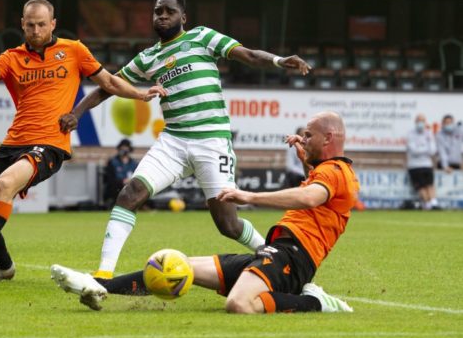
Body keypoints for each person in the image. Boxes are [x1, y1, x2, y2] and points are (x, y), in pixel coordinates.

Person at [59, 0, 312, 280]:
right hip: (174, 142)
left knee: (228, 225)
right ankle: (103, 275)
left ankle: (276, 258)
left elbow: (249, 55)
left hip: (212, 143)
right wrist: (76, 114)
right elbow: (109, 86)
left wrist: (279, 61)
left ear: (184, 17)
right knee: (130, 195)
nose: (163, 15)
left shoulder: (202, 37)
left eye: (169, 11)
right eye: (158, 11)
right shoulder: (148, 57)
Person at [0, 0, 165, 282]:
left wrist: (140, 94)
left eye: (41, 24)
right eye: (30, 24)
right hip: (12, 143)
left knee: (5, 184)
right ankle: (5, 267)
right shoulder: (11, 57)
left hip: (49, 143)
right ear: (22, 24)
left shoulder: (73, 50)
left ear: (53, 24)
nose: (35, 30)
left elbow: (108, 81)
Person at [51, 111, 356, 314]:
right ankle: (98, 285)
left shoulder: (338, 171)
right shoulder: (326, 171)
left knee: (240, 304)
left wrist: (247, 195)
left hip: (295, 258)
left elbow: (308, 197)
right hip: (275, 252)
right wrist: (305, 159)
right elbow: (314, 191)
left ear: (329, 138)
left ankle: (314, 302)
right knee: (172, 265)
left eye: (309, 136)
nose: (303, 139)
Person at [406, 114, 439, 210]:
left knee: (430, 185)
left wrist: (421, 149)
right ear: (415, 122)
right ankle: (427, 205)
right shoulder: (410, 134)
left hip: (427, 164)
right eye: (419, 121)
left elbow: (433, 150)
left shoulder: (429, 133)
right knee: (421, 187)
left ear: (425, 122)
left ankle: (434, 204)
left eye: (422, 121)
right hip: (414, 166)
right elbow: (413, 151)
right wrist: (425, 149)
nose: (421, 123)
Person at [104, 139, 138, 207]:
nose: (124, 151)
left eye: (126, 148)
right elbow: (109, 179)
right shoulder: (113, 162)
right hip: (117, 188)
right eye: (122, 148)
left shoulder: (134, 164)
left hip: (130, 188)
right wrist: (122, 181)